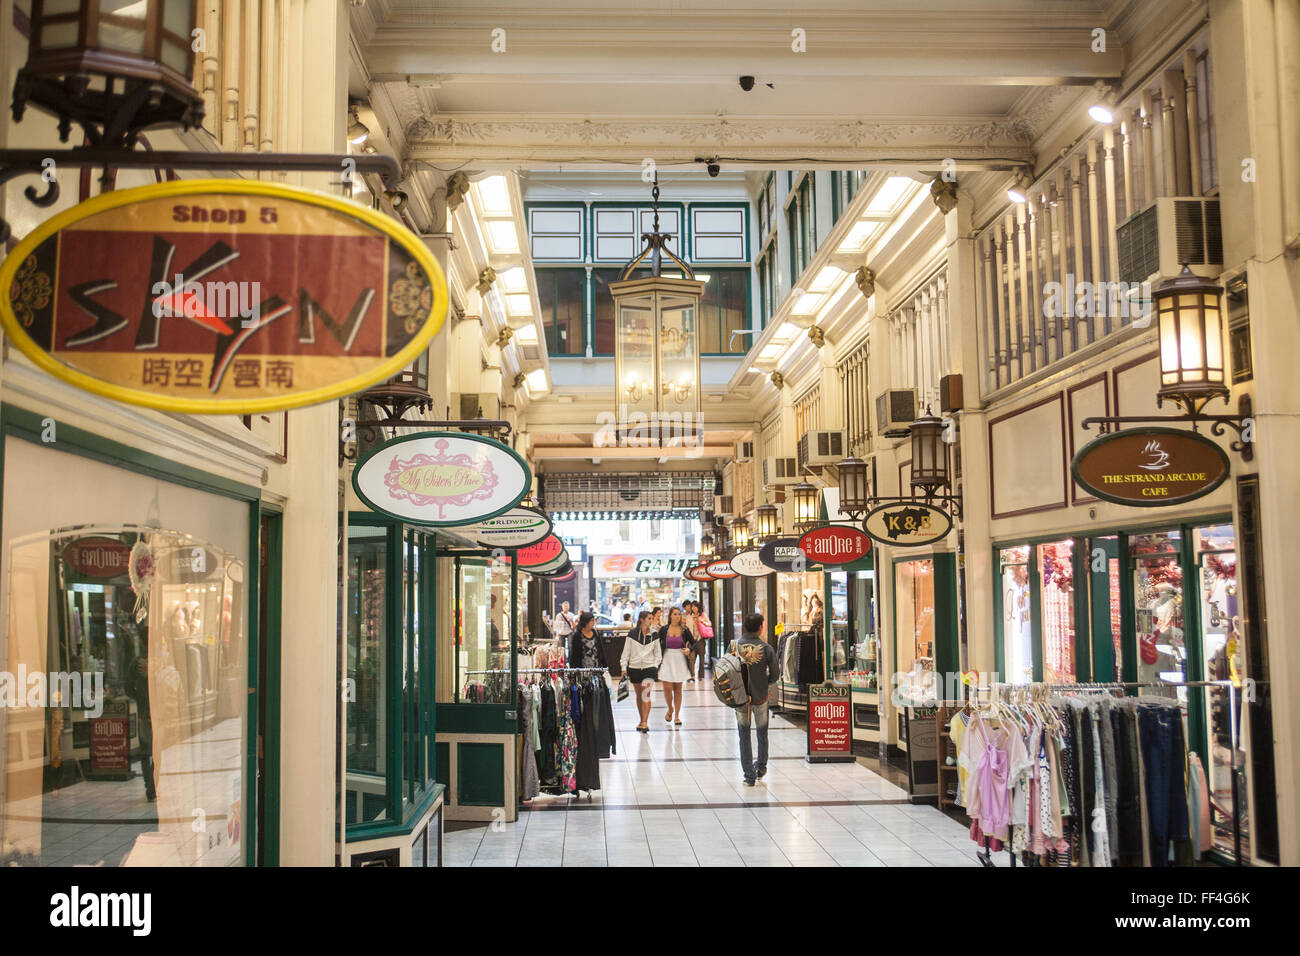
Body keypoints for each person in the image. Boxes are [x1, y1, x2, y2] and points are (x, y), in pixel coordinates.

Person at [731, 613, 778, 786]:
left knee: (744, 735)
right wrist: (764, 684)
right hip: (760, 697)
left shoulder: (734, 647)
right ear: (760, 628)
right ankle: (761, 767)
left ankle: (749, 775)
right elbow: (775, 674)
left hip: (740, 698)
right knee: (762, 733)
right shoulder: (766, 648)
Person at [620, 611, 663, 733]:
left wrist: (655, 665)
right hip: (634, 668)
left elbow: (658, 654)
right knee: (639, 695)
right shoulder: (632, 634)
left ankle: (645, 722)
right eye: (649, 618)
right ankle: (641, 720)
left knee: (646, 695)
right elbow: (626, 652)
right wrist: (624, 667)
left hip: (650, 668)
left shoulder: (654, 634)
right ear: (642, 619)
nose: (651, 620)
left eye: (651, 618)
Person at [656, 606, 694, 725]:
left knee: (678, 689)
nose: (677, 616)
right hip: (667, 658)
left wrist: (689, 649)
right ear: (670, 616)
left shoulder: (684, 629)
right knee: (667, 687)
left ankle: (677, 715)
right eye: (675, 614)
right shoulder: (663, 629)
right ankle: (670, 708)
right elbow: (656, 644)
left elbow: (694, 643)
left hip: (680, 659)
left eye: (679, 614)